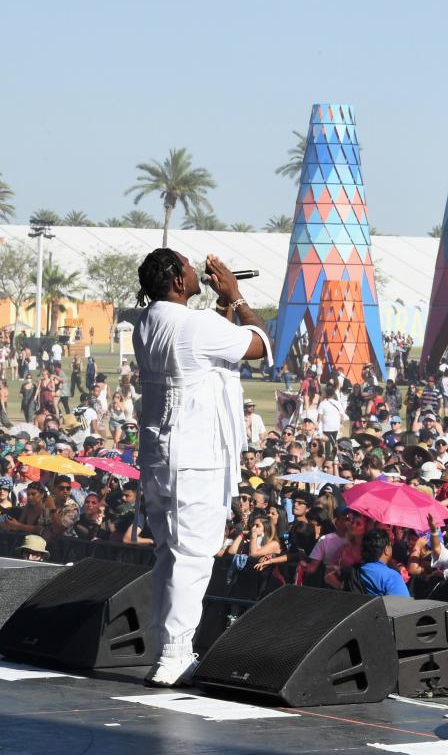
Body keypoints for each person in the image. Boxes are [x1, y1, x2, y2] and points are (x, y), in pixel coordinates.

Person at [133, 248, 271, 687]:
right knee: (192, 557)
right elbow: (260, 345)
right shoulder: (196, 325)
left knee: (168, 555)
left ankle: (162, 647)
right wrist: (237, 295)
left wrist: (222, 309)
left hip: (160, 457)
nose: (198, 272)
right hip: (196, 460)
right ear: (177, 281)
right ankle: (174, 655)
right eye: (190, 268)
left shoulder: (147, 322)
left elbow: (206, 352)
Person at [357, 527, 410, 597]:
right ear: (386, 550)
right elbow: (405, 605)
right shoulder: (392, 577)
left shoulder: (356, 570)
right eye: (390, 545)